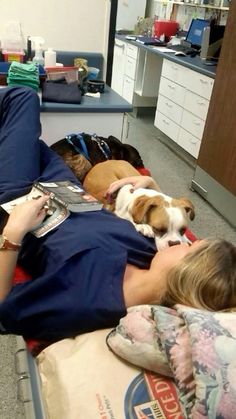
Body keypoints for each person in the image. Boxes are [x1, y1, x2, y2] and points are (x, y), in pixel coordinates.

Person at [0, 87, 235, 342]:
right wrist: (152, 186)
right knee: (24, 136)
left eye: (194, 249)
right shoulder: (151, 253)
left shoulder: (87, 300)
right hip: (67, 190)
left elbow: (3, 312)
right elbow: (170, 220)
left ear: (181, 273)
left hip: (19, 198)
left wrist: (13, 234)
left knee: (21, 98)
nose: (192, 240)